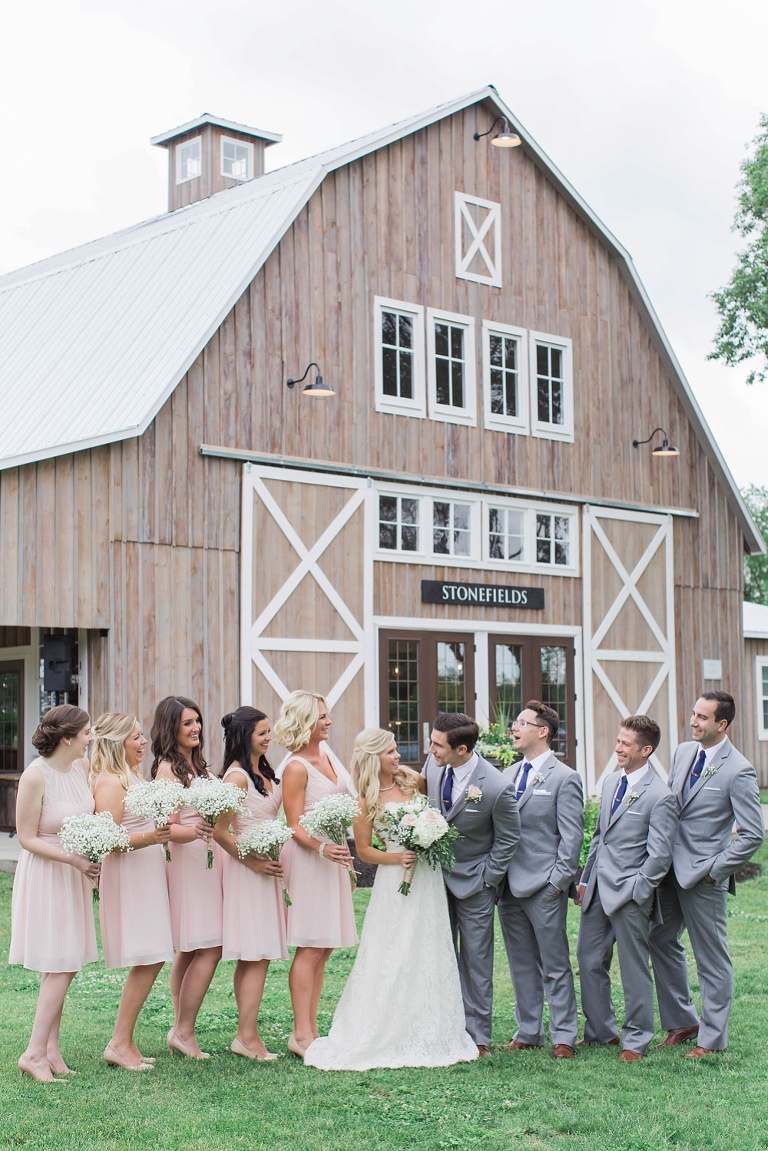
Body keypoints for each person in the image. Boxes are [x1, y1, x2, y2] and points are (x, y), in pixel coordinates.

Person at [304, 728, 477, 1070]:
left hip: (427, 878)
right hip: (395, 880)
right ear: (373, 758)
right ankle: (382, 1026)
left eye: (397, 750)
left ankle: (431, 1026)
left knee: (427, 946)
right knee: (393, 948)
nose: (398, 756)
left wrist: (428, 836)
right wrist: (397, 858)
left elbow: (432, 817)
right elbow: (366, 851)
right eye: (391, 752)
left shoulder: (414, 781)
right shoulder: (364, 800)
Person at [649, 691, 765, 1057]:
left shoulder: (739, 770)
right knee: (660, 939)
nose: (693, 722)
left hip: (703, 878)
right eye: (694, 714)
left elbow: (752, 833)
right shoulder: (684, 752)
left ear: (722, 724)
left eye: (702, 717)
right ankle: (683, 1020)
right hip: (668, 870)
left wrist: (715, 871)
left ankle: (712, 1040)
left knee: (712, 957)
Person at [576, 715, 678, 1061]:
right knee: (589, 960)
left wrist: (638, 889)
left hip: (630, 895)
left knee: (633, 966)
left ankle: (636, 1039)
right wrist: (586, 880)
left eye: (625, 744)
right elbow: (600, 837)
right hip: (597, 892)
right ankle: (601, 1032)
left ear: (645, 750)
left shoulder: (661, 796)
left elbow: (660, 855)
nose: (617, 747)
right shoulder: (610, 782)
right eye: (618, 741)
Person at [9, 705, 100, 1082]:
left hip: (73, 873)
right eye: (86, 733)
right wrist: (72, 859)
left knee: (64, 963)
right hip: (48, 874)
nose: (90, 739)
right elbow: (27, 838)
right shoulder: (34, 776)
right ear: (67, 739)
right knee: (61, 963)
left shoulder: (79, 768)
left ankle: (51, 1050)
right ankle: (32, 1052)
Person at [422, 712, 520, 1056]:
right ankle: (441, 1027)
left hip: (475, 884)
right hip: (434, 881)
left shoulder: (495, 786)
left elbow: (508, 839)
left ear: (461, 749)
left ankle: (478, 1036)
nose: (430, 749)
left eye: (437, 745)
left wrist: (487, 880)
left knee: (476, 961)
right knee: (438, 955)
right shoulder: (432, 768)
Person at [497, 701, 583, 1059]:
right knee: (520, 962)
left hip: (545, 886)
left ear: (543, 731)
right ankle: (528, 1031)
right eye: (516, 721)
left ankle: (564, 1034)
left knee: (555, 962)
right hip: (508, 886)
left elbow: (572, 837)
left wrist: (557, 883)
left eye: (522, 722)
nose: (514, 728)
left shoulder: (566, 778)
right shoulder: (506, 775)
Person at [90, 712, 174, 1070]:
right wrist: (152, 837)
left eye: (142, 737)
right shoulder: (111, 782)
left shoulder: (131, 777)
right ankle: (119, 1042)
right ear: (116, 743)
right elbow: (109, 840)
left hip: (147, 871)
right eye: (136, 738)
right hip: (129, 876)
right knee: (149, 955)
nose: (143, 743)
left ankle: (124, 1041)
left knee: (152, 955)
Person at [276, 691, 357, 1058]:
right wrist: (323, 848)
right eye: (321, 716)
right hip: (309, 860)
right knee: (310, 946)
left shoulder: (326, 755)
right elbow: (293, 824)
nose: (328, 721)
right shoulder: (295, 767)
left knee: (324, 946)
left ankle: (312, 1026)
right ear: (304, 722)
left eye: (327, 715)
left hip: (333, 857)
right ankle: (300, 1032)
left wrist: (347, 859)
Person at [213, 707, 287, 1061]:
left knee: (258, 955)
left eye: (269, 731)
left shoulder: (263, 770)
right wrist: (254, 862)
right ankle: (247, 1037)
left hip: (266, 868)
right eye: (262, 733)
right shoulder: (237, 778)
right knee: (255, 955)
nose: (268, 737)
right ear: (245, 736)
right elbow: (220, 832)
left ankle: (247, 1033)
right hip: (247, 871)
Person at [151, 695, 222, 1060]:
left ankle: (180, 1029)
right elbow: (165, 827)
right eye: (187, 724)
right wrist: (196, 831)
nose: (195, 729)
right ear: (171, 729)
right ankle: (184, 1030)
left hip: (206, 862)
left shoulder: (199, 766)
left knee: (193, 947)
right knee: (210, 946)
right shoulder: (168, 770)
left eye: (197, 721)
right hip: (188, 864)